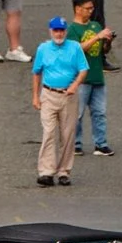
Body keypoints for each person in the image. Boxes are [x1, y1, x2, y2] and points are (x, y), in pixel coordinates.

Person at [31, 15, 85, 186]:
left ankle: (64, 171)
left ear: (65, 31)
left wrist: (75, 85)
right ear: (50, 31)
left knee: (67, 134)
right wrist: (35, 96)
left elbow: (83, 69)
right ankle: (46, 171)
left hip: (68, 96)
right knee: (49, 133)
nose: (59, 34)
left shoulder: (75, 48)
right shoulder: (43, 49)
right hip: (49, 94)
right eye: (56, 30)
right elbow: (37, 72)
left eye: (61, 30)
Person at [69, 0, 113, 155]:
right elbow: (76, 49)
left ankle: (101, 143)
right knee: (77, 114)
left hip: (97, 76)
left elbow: (103, 50)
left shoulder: (95, 26)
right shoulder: (72, 30)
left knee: (100, 113)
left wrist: (107, 41)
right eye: (87, 8)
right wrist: (97, 37)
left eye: (92, 8)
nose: (90, 11)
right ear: (77, 9)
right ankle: (75, 144)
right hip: (81, 79)